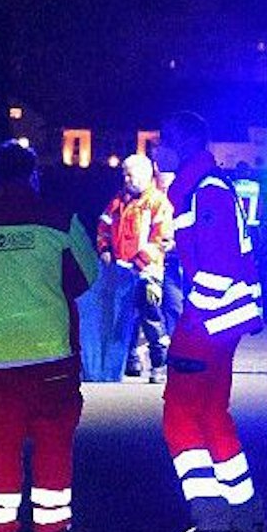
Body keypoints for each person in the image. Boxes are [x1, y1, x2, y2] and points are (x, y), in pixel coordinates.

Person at [0, 141, 99, 532]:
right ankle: (51, 529)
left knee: (0, 442)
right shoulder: (60, 219)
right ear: (33, 175)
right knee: (53, 439)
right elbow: (87, 275)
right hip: (52, 351)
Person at [155, 111, 264, 532]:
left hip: (208, 323)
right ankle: (244, 520)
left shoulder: (203, 191)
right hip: (222, 323)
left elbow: (216, 267)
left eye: (162, 140)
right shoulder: (207, 186)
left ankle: (212, 526)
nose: (156, 149)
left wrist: (193, 319)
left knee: (180, 419)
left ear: (181, 143)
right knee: (213, 415)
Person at [96, 153, 176, 383]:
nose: (126, 179)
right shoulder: (119, 200)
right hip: (121, 272)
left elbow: (161, 240)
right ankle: (130, 360)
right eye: (124, 175)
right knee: (124, 319)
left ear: (144, 175)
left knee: (152, 319)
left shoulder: (158, 203)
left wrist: (137, 264)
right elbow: (104, 226)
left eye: (129, 175)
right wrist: (104, 249)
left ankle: (159, 365)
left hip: (147, 274)